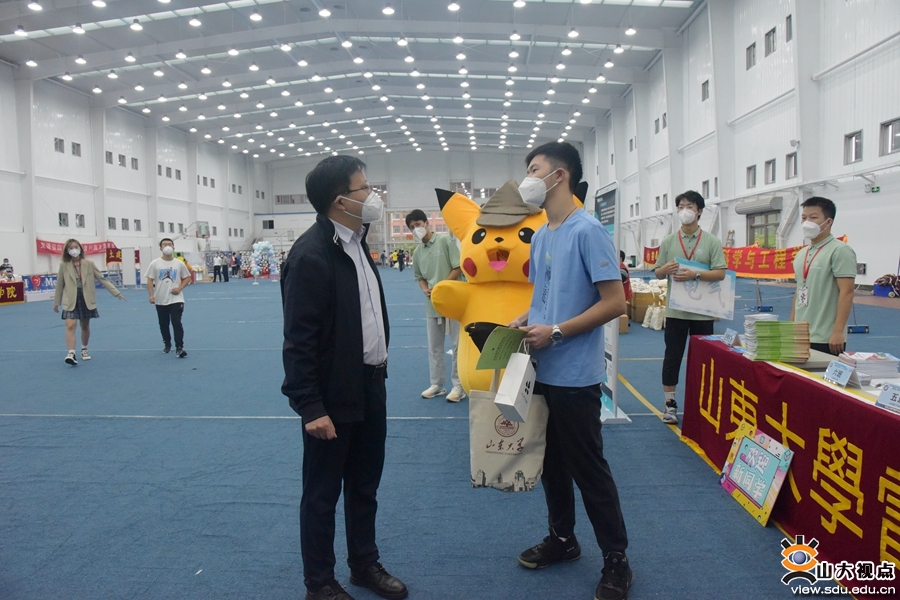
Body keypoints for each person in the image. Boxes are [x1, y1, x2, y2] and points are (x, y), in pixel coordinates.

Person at [509, 142, 632, 600]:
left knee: (588, 468)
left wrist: (557, 331)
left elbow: (615, 303)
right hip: (541, 368)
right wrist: (526, 318)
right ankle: (563, 538)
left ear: (559, 176)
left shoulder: (588, 230)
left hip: (576, 375)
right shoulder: (542, 234)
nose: (527, 178)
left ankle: (616, 558)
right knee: (550, 464)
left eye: (534, 169)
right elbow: (546, 296)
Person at [281, 155, 406, 600]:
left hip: (371, 385)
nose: (373, 195)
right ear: (340, 200)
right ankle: (319, 583)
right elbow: (299, 341)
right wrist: (310, 406)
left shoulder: (357, 242)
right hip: (333, 397)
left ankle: (364, 564)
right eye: (364, 188)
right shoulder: (310, 255)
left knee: (364, 485)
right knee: (322, 494)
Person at [653, 191, 726, 424]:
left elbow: (720, 273)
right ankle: (670, 404)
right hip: (676, 311)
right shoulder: (668, 241)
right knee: (672, 357)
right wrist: (665, 270)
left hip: (703, 312)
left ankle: (701, 404)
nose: (684, 211)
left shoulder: (711, 241)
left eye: (690, 206)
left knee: (704, 360)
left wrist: (696, 274)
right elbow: (657, 272)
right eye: (681, 206)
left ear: (699, 211)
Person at [406, 209, 465, 402]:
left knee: (458, 345)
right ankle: (437, 384)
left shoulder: (444, 240)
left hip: (453, 300)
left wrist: (443, 286)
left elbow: (458, 266)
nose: (416, 229)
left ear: (426, 223)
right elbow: (420, 277)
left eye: (418, 224)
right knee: (434, 346)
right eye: (412, 227)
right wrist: (425, 289)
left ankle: (458, 386)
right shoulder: (417, 252)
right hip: (432, 304)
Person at [790, 196, 857, 356]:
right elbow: (799, 291)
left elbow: (847, 292)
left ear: (828, 222)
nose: (807, 222)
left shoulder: (840, 251)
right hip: (800, 334)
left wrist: (838, 331)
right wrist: (791, 326)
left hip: (826, 337)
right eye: (804, 218)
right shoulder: (801, 253)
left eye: (813, 217)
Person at [52, 239, 126, 365]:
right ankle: (71, 353)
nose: (74, 250)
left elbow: (102, 279)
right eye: (71, 248)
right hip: (70, 299)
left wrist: (116, 293)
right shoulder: (63, 265)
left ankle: (84, 348)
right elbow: (60, 284)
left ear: (80, 249)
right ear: (67, 251)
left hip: (86, 298)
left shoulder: (89, 264)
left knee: (85, 325)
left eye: (76, 247)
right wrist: (56, 302)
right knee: (70, 325)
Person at [146, 238, 191, 358]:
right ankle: (167, 343)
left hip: (176, 298)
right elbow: (150, 279)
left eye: (170, 244)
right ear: (160, 248)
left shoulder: (179, 263)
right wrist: (151, 295)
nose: (167, 246)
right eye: (165, 244)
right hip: (160, 298)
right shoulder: (155, 263)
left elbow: (187, 277)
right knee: (163, 323)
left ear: (173, 247)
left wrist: (180, 288)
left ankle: (179, 348)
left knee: (176, 322)